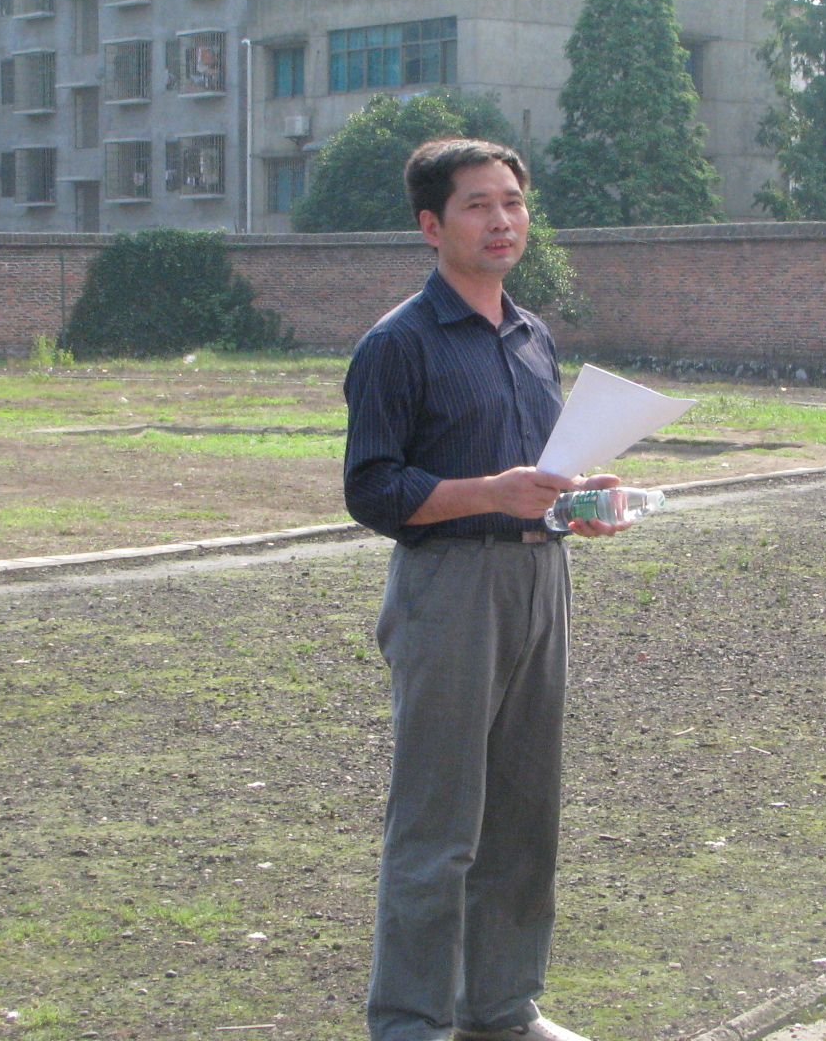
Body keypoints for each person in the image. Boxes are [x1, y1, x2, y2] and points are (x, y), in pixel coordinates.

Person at [343, 138, 631, 1041]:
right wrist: (488, 495)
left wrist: (581, 504)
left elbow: (540, 472)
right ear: (432, 226)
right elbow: (371, 489)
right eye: (478, 204)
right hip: (450, 589)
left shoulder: (533, 336)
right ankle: (411, 1023)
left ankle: (501, 1007)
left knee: (523, 811)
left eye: (513, 201)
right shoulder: (398, 344)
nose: (502, 220)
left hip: (541, 578)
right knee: (437, 825)